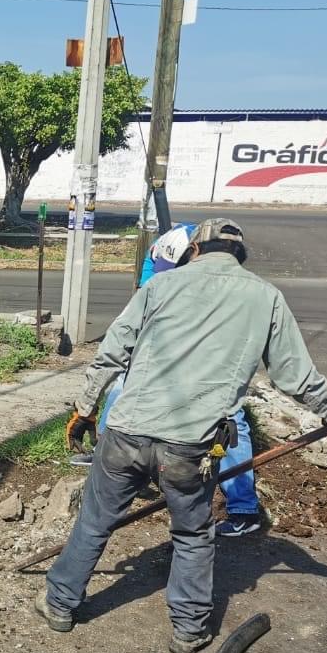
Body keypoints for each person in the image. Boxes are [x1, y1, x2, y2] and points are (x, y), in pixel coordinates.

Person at [36, 218, 327, 653]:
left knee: (95, 521)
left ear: (195, 250)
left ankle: (61, 606)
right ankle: (188, 631)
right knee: (193, 535)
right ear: (240, 255)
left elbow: (111, 352)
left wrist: (85, 409)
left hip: (125, 434)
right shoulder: (265, 297)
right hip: (190, 448)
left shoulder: (159, 288)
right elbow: (294, 374)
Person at [76, 223, 263, 537]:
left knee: (230, 419)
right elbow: (146, 300)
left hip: (214, 357)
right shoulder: (165, 251)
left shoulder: (219, 267)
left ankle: (243, 507)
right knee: (125, 385)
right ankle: (111, 459)